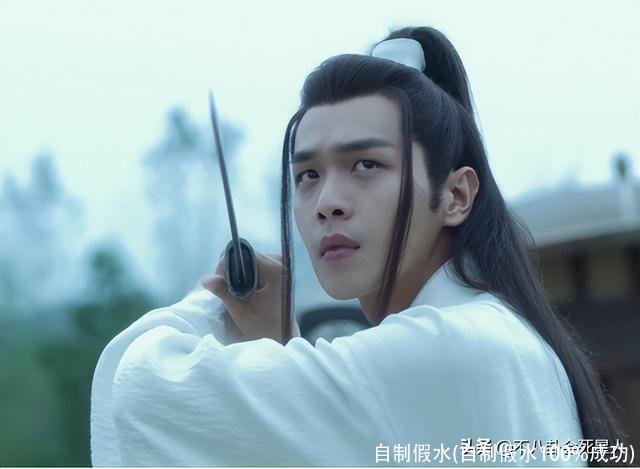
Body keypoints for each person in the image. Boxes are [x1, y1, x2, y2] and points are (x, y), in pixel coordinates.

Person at [90, 26, 630, 466]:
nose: (327, 202)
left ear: (456, 195)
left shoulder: (449, 347)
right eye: (307, 175)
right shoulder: (494, 336)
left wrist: (211, 309)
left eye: (366, 165)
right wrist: (277, 344)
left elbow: (138, 390)